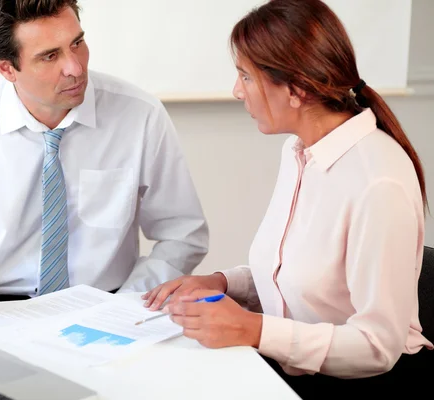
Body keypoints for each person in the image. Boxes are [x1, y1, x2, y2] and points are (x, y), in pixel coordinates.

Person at [142, 0, 432, 396]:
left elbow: (378, 346)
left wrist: (252, 329)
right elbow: (294, 277)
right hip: (285, 370)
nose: (236, 91)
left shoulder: (377, 183)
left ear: (295, 89)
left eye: (245, 77)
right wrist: (222, 282)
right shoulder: (300, 152)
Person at [0, 0, 208, 314]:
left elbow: (183, 233)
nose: (75, 68)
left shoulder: (140, 115)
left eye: (77, 43)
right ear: (7, 67)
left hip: (108, 302)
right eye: (50, 56)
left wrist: (128, 303)